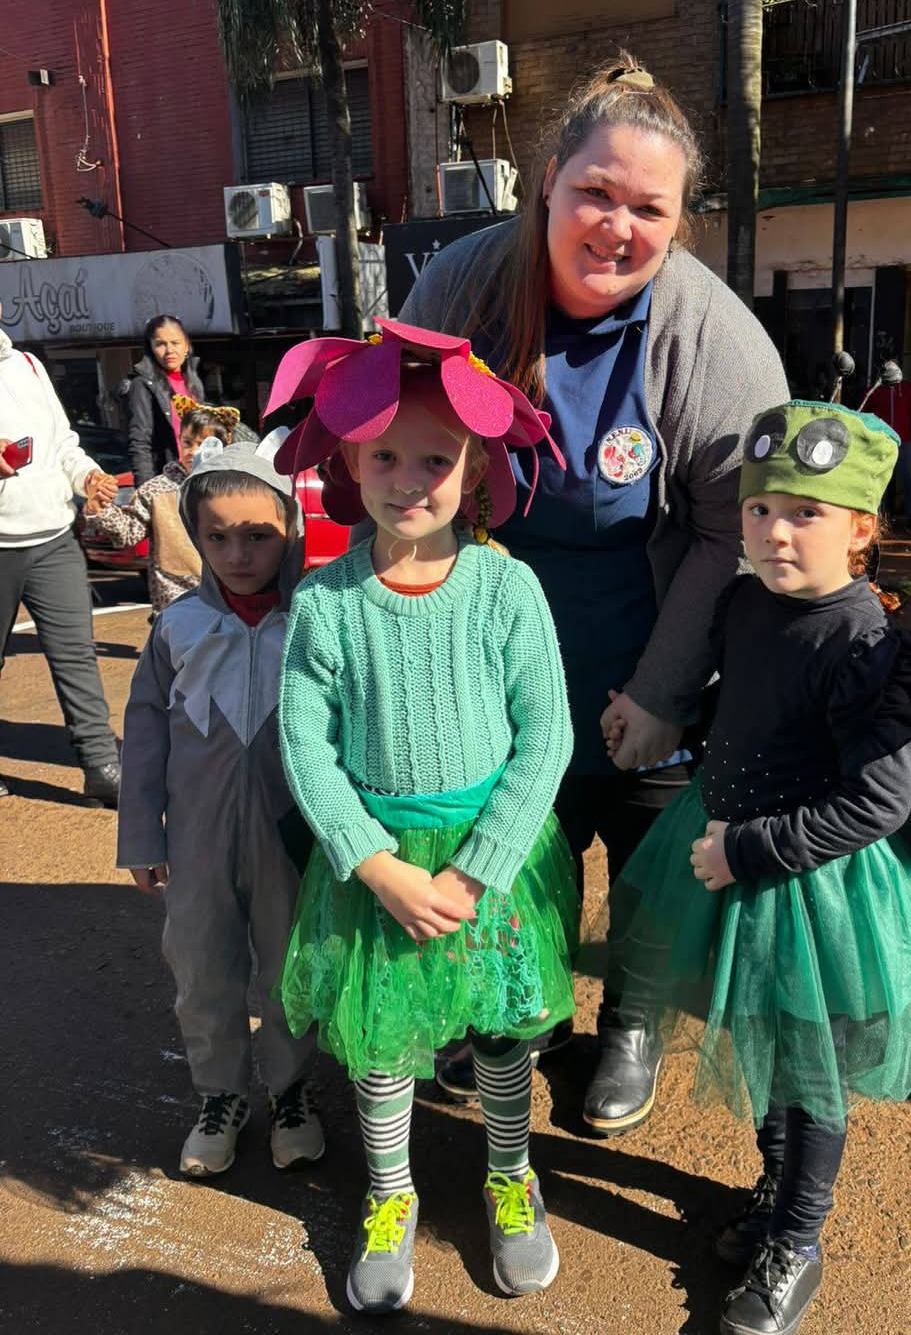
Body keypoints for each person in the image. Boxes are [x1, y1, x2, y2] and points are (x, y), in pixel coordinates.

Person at [399, 52, 788, 1133]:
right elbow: (410, 467)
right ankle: (522, 1012)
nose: (618, 226)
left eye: (649, 208)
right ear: (548, 188)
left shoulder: (716, 340)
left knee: (652, 843)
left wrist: (664, 686)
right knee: (514, 843)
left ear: (679, 222)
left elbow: (734, 533)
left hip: (650, 621)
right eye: (596, 194)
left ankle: (631, 1017)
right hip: (495, 629)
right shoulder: (462, 287)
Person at [604, 402, 911, 1335]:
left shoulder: (868, 645)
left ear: (861, 529)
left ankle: (797, 1243)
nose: (774, 531)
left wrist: (745, 849)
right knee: (767, 1045)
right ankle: (775, 1193)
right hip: (735, 857)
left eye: (805, 513)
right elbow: (742, 703)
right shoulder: (744, 604)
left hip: (813, 885)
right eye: (762, 509)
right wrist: (670, 720)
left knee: (811, 1073)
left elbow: (877, 804)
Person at [267, 320, 576, 1313]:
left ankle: (508, 1176)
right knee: (384, 1037)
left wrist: (473, 869)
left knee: (498, 1034)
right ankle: (390, 1193)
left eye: (436, 458)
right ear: (352, 459)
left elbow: (548, 739)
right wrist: (375, 865)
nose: (409, 479)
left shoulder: (506, 589)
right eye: (387, 456)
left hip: (491, 862)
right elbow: (306, 748)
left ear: (475, 464)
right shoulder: (327, 602)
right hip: (380, 869)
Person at [116, 446, 325, 1178]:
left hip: (291, 838)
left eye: (259, 535)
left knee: (289, 967)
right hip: (199, 840)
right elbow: (143, 737)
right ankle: (222, 1095)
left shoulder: (314, 623)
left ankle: (291, 1091)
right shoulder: (177, 628)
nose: (238, 553)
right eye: (218, 536)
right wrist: (143, 834)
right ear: (196, 536)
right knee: (202, 966)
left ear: (291, 533)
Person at [0, 317, 122, 804]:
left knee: (76, 656)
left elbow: (63, 444)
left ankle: (101, 766)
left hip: (53, 538)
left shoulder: (27, 365)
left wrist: (88, 477)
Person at [85, 398, 240, 613]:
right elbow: (128, 532)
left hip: (228, 595)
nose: (192, 452)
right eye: (187, 442)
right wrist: (100, 509)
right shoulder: (157, 490)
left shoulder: (237, 488)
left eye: (202, 444)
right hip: (174, 598)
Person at [119, 315, 205, 485]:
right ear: (151, 348)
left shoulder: (193, 381)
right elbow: (140, 442)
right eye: (160, 344)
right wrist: (147, 491)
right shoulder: (142, 384)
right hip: (167, 479)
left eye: (175, 343)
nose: (169, 350)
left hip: (198, 475)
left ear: (186, 345)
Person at [863, 360, 911, 532]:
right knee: (882, 481)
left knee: (909, 481)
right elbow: (864, 416)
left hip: (904, 442)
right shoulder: (874, 390)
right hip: (881, 440)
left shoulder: (908, 389)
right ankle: (882, 518)